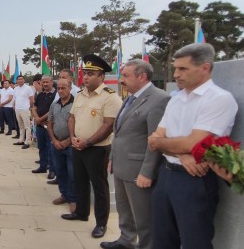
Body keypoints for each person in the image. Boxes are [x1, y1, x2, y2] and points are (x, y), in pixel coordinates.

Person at [148, 43, 237, 249]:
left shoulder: (219, 99)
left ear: (205, 68)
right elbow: (154, 139)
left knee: (194, 241)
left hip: (194, 179)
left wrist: (168, 144)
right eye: (175, 68)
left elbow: (194, 142)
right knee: (162, 239)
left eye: (183, 68)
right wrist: (183, 154)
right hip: (167, 174)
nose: (176, 74)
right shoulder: (177, 99)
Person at [100, 60, 170, 249]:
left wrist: (147, 171)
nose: (122, 80)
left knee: (144, 216)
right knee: (125, 211)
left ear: (142, 76)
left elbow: (155, 140)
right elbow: (121, 132)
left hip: (139, 170)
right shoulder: (130, 98)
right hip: (121, 166)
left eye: (126, 76)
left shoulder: (159, 99)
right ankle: (126, 240)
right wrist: (113, 159)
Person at [61, 54, 122, 239]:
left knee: (99, 186)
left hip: (97, 149)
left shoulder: (110, 97)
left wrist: (87, 142)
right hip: (77, 145)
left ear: (101, 77)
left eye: (90, 74)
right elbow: (72, 117)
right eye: (84, 73)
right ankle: (81, 212)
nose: (85, 77)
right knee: (79, 181)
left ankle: (101, 223)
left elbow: (108, 125)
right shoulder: (80, 95)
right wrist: (73, 138)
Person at [47, 79, 77, 212]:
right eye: (58, 88)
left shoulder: (77, 104)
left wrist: (68, 141)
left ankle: (73, 199)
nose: (60, 91)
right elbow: (50, 123)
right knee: (61, 171)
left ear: (70, 88)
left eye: (63, 88)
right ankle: (64, 194)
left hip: (71, 145)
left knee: (72, 173)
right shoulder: (55, 105)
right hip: (56, 143)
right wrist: (54, 140)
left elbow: (79, 125)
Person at [32, 75, 58, 177]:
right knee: (41, 147)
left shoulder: (56, 95)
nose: (45, 84)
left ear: (51, 82)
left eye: (47, 82)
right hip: (39, 126)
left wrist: (41, 119)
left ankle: (52, 170)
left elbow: (52, 110)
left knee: (50, 148)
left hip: (50, 126)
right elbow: (34, 108)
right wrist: (37, 119)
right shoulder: (40, 95)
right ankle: (42, 166)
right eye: (43, 82)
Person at [12, 76, 35, 149]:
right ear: (17, 81)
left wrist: (30, 108)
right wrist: (14, 106)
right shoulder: (15, 89)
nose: (20, 80)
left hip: (25, 109)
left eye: (21, 79)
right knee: (20, 126)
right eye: (18, 79)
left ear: (24, 80)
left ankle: (27, 142)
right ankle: (21, 140)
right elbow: (15, 99)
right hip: (17, 109)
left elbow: (32, 100)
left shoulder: (28, 88)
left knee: (27, 126)